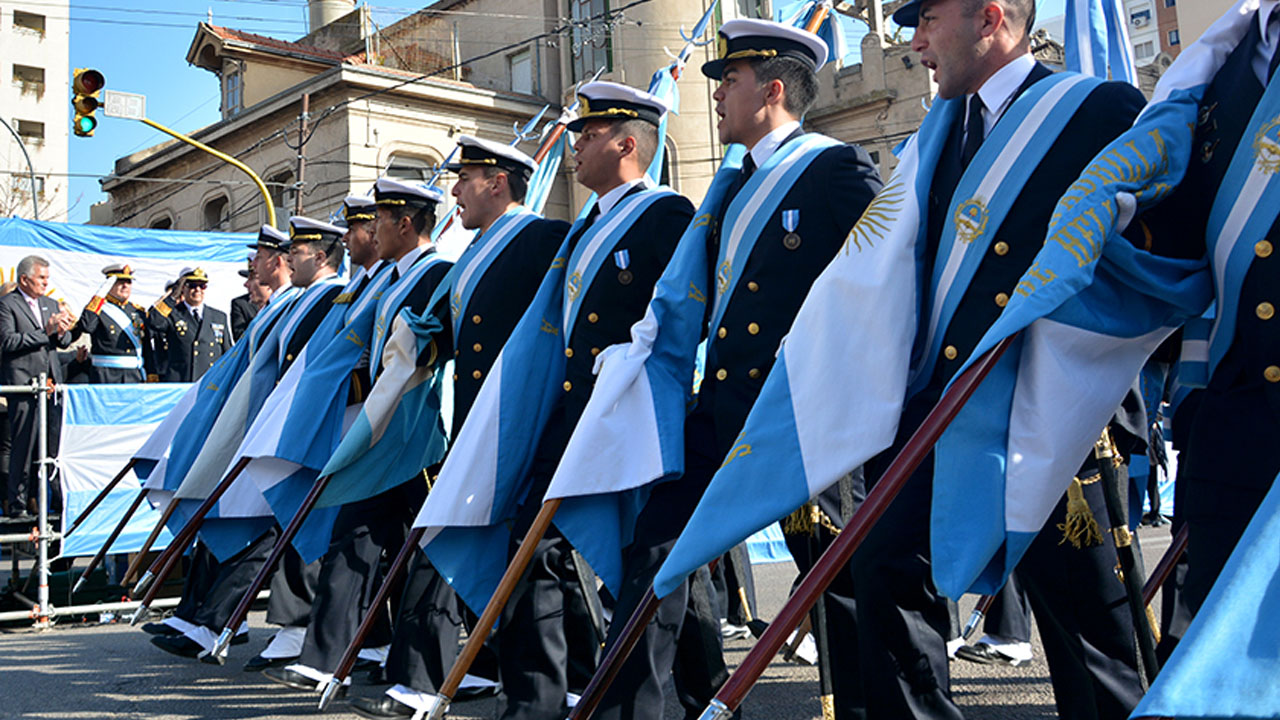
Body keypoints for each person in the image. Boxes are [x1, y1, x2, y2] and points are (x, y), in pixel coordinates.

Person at [845, 1, 1148, 717]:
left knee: (1087, 637)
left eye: (926, 21)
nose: (913, 41)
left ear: (988, 18)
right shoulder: (938, 134)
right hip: (941, 409)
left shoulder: (1097, 109)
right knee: (884, 572)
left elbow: (1147, 264)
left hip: (1050, 413)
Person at [351, 135, 569, 720]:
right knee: (528, 555)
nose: (454, 191)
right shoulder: (473, 255)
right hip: (477, 421)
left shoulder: (545, 239)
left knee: (508, 547)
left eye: (464, 178)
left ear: (497, 183)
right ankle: (554, 676)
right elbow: (453, 336)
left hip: (526, 419)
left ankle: (435, 678)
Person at [262, 178, 454, 695]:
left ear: (404, 225)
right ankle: (327, 658)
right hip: (379, 431)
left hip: (420, 436)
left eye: (378, 223)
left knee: (434, 550)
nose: (367, 232)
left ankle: (471, 659)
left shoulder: (437, 275)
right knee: (355, 533)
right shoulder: (394, 278)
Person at [0, 255, 74, 519]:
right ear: (24, 279)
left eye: (47, 277)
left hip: (50, 384)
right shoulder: (7, 305)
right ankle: (17, 503)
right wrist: (46, 331)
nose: (46, 282)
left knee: (50, 446)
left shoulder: (50, 303)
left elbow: (60, 342)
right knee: (24, 444)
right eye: (41, 278)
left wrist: (63, 331)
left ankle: (44, 501)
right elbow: (8, 342)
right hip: (23, 383)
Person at [72, 264, 151, 384]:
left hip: (134, 375)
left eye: (128, 282)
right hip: (105, 375)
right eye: (120, 281)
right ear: (109, 284)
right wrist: (99, 295)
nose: (125, 286)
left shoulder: (138, 311)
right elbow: (87, 326)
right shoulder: (99, 309)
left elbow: (146, 346)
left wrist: (151, 373)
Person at [151, 267, 232, 382]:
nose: (197, 289)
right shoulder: (173, 313)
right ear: (183, 288)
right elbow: (154, 322)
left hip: (209, 381)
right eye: (192, 286)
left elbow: (227, 352)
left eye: (202, 286)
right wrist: (173, 296)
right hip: (180, 381)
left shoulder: (218, 316)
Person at [230, 257, 262, 341]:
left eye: (252, 278)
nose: (246, 284)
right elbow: (240, 338)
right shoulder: (241, 303)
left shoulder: (285, 302)